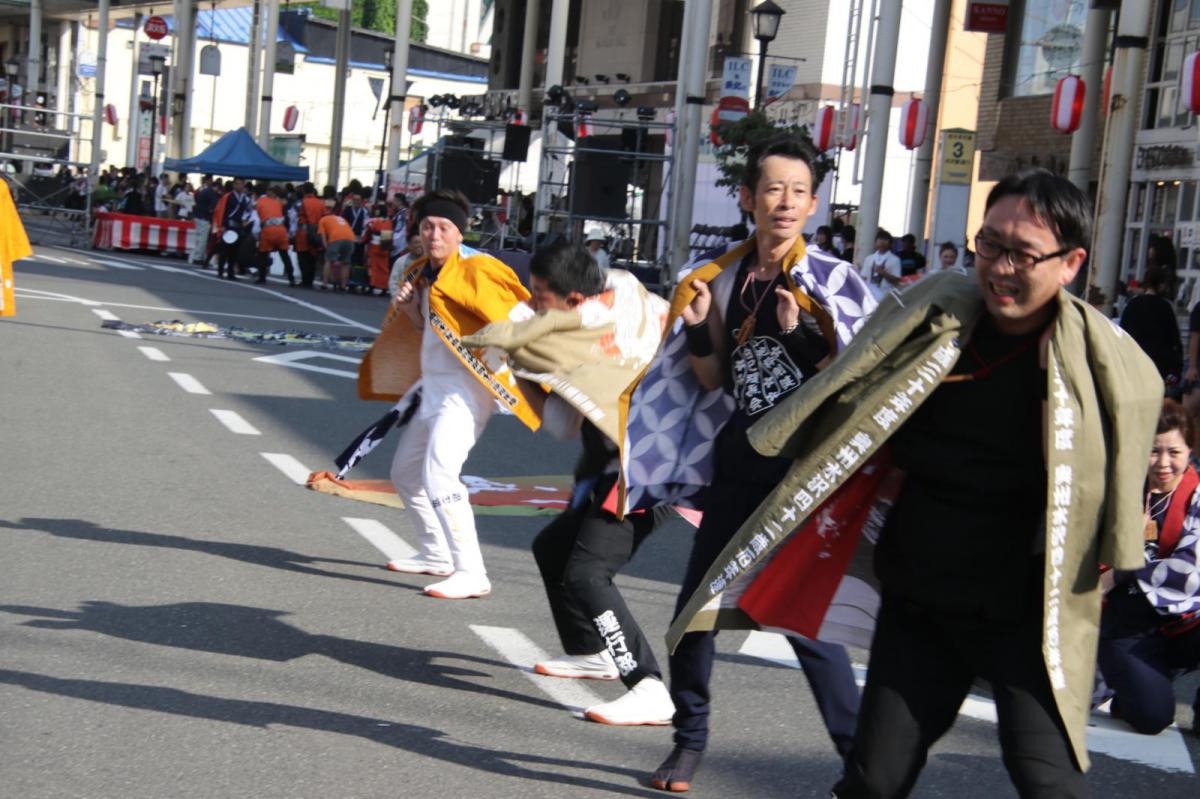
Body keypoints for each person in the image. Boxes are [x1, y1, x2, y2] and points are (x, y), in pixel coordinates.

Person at [661, 169, 1163, 799]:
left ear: (1070, 263)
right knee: (875, 779)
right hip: (921, 601)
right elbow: (847, 389)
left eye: (1022, 254)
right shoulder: (931, 320)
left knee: (1049, 782)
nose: (1001, 268)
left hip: (1026, 617)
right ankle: (691, 734)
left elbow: (1124, 459)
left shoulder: (1094, 366)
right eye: (990, 245)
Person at [632, 134, 876, 792]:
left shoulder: (832, 280)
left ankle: (860, 760)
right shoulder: (724, 276)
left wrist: (799, 329)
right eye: (773, 188)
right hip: (739, 457)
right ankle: (689, 742)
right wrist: (699, 323)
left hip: (802, 469)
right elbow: (711, 379)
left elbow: (851, 377)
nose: (786, 202)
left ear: (815, 203)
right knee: (694, 609)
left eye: (799, 191)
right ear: (747, 198)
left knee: (801, 617)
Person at [468, 241, 677, 724]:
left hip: (650, 466)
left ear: (575, 300)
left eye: (541, 294)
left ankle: (647, 686)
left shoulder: (599, 321)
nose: (535, 303)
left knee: (586, 572)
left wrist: (520, 350)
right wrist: (524, 363)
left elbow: (561, 416)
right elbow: (563, 424)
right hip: (611, 464)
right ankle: (593, 651)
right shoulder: (613, 298)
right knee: (554, 549)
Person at [367, 189, 539, 599]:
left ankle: (471, 571)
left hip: (467, 390)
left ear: (460, 233)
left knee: (440, 473)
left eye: (444, 227)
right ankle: (435, 553)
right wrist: (410, 311)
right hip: (434, 387)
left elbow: (519, 319)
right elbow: (428, 332)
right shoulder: (421, 271)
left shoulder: (479, 270)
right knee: (405, 474)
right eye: (428, 227)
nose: (435, 234)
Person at [1097, 399, 1200, 736]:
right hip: (1124, 621)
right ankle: (1134, 683)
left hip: (1183, 620)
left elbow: (1189, 572)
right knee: (1152, 717)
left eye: (1175, 452)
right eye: (1154, 451)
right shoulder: (1117, 486)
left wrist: (1123, 569)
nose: (1164, 463)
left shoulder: (1196, 494)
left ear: (1190, 450)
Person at [1121, 265, 1184, 388]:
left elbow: (1122, 333)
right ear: (1160, 285)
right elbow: (1174, 340)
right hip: (1158, 367)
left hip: (1133, 364)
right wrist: (1175, 371)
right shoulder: (1165, 307)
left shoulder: (1133, 305)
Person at [212, 177, 252, 281]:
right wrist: (222, 225)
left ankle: (230, 272)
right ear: (234, 185)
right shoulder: (228, 197)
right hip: (228, 225)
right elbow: (221, 211)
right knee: (224, 250)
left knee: (234, 251)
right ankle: (220, 271)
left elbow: (247, 212)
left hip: (238, 226)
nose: (239, 186)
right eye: (237, 184)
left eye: (241, 184)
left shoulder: (244, 198)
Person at [256, 185, 293, 285]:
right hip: (281, 230)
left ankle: (262, 277)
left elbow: (257, 213)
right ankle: (291, 278)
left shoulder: (261, 201)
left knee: (263, 254)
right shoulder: (280, 203)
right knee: (284, 255)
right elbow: (287, 217)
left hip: (268, 229)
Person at [295, 183, 326, 288]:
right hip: (317, 231)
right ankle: (310, 280)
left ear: (304, 191)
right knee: (312, 256)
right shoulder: (321, 203)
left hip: (303, 232)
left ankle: (305, 280)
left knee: (302, 257)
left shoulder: (302, 202)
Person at [317, 209, 355, 291]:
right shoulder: (341, 218)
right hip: (350, 238)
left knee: (328, 261)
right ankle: (343, 286)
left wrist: (326, 247)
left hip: (336, 238)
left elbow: (323, 236)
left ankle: (324, 284)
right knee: (346, 263)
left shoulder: (323, 220)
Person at [861, 228, 901, 303]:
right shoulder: (869, 258)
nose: (882, 242)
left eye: (885, 240)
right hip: (870, 295)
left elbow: (897, 280)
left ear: (890, 243)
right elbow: (864, 277)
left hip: (886, 295)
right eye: (880, 239)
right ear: (875, 242)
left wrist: (883, 273)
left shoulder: (895, 260)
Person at [362, 203, 394, 296]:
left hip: (375, 245)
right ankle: (384, 287)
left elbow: (368, 231)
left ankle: (372, 286)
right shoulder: (389, 222)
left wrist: (363, 240)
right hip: (386, 244)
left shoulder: (373, 221)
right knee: (384, 268)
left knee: (374, 267)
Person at [190, 176, 219, 267]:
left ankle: (197, 256)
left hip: (197, 216)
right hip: (204, 217)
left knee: (199, 238)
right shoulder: (210, 192)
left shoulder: (201, 191)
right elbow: (213, 206)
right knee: (203, 238)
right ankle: (198, 258)